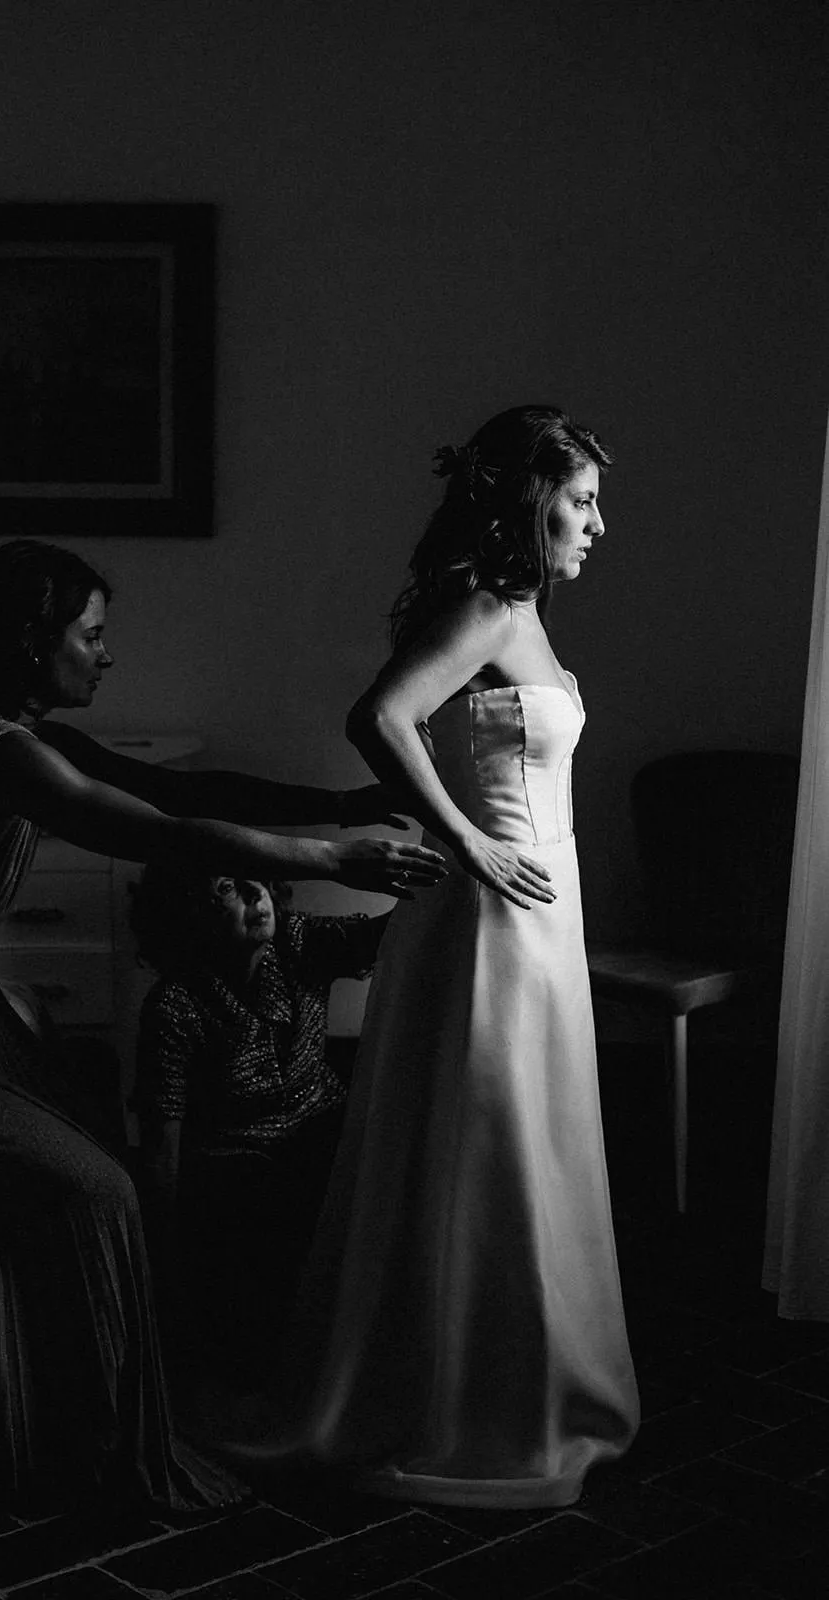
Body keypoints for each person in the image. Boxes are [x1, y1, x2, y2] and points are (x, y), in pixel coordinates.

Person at [0, 538, 446, 1517]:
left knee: (100, 1148)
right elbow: (157, 834)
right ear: (32, 643)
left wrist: (352, 803)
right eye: (90, 635)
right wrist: (326, 852)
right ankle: (99, 1452)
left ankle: (82, 1409)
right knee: (94, 1190)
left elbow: (187, 793)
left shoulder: (18, 732)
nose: (105, 655)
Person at [238, 405, 639, 1509]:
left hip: (534, 912)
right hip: (486, 917)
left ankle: (523, 1382)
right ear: (527, 503)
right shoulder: (488, 601)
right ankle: (464, 1402)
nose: (597, 523)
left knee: (525, 1142)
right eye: (580, 500)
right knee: (486, 1140)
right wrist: (466, 845)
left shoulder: (521, 611)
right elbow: (381, 716)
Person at [132, 867, 390, 1392]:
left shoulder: (298, 943)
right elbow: (163, 1149)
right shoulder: (174, 1007)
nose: (257, 894)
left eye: (258, 878)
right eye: (227, 885)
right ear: (189, 911)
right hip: (237, 1179)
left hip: (324, 1141)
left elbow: (388, 934)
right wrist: (165, 1268)